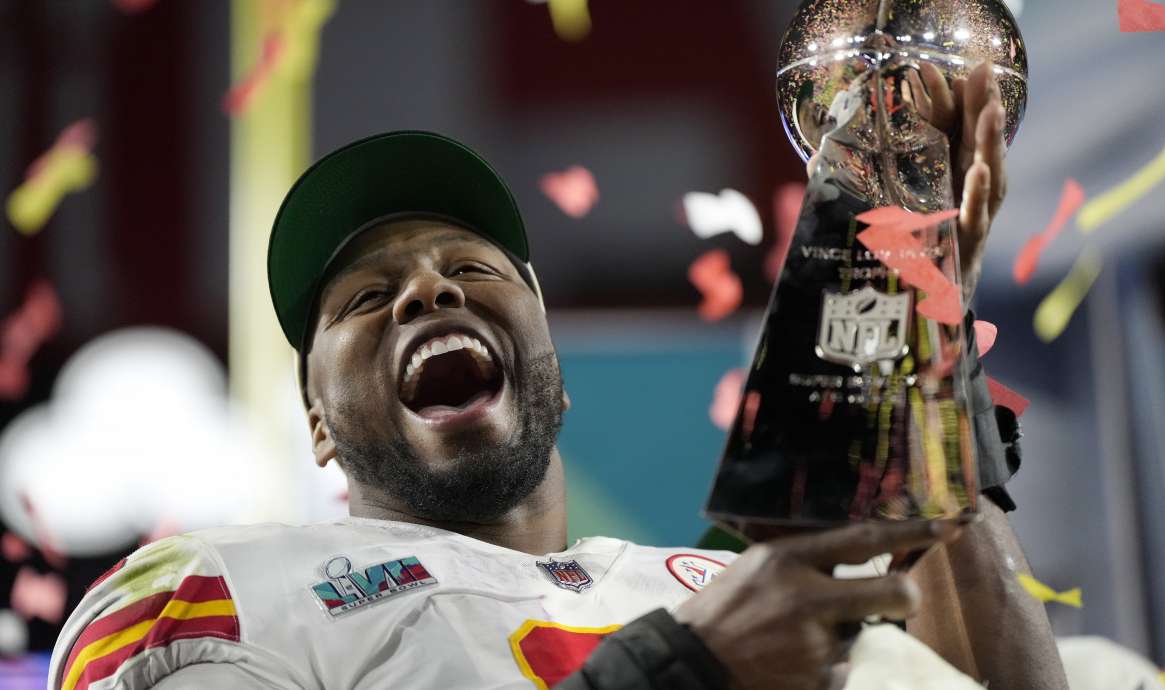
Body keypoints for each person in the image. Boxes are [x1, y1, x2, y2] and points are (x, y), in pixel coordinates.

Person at [48, 64, 1068, 690]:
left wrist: (925, 386)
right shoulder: (214, 594)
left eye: (473, 271)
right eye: (366, 299)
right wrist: (680, 672)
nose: (424, 294)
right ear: (316, 421)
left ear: (554, 375)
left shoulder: (724, 589)